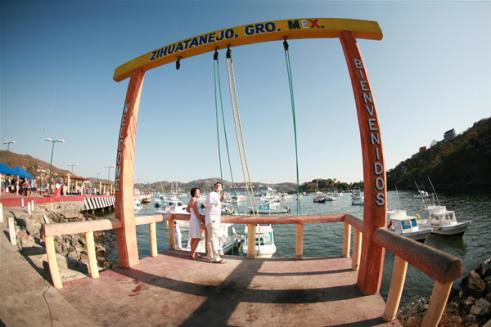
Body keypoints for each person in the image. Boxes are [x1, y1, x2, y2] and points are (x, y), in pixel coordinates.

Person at [205, 181, 225, 263]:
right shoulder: (212, 194)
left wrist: (221, 200)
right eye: (216, 185)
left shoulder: (218, 196)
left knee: (210, 238)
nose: (218, 187)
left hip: (213, 219)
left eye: (219, 186)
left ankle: (210, 256)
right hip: (212, 218)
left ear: (221, 188)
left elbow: (217, 205)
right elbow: (209, 205)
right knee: (214, 238)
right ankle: (216, 258)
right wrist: (219, 200)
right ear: (214, 187)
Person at [186, 187, 205, 259]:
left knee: (193, 238)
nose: (199, 193)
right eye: (198, 192)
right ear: (194, 193)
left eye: (199, 192)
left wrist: (192, 213)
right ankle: (193, 254)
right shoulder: (195, 200)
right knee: (197, 238)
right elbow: (197, 213)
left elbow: (187, 210)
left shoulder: (191, 200)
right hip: (196, 220)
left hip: (192, 220)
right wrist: (201, 222)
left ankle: (192, 253)